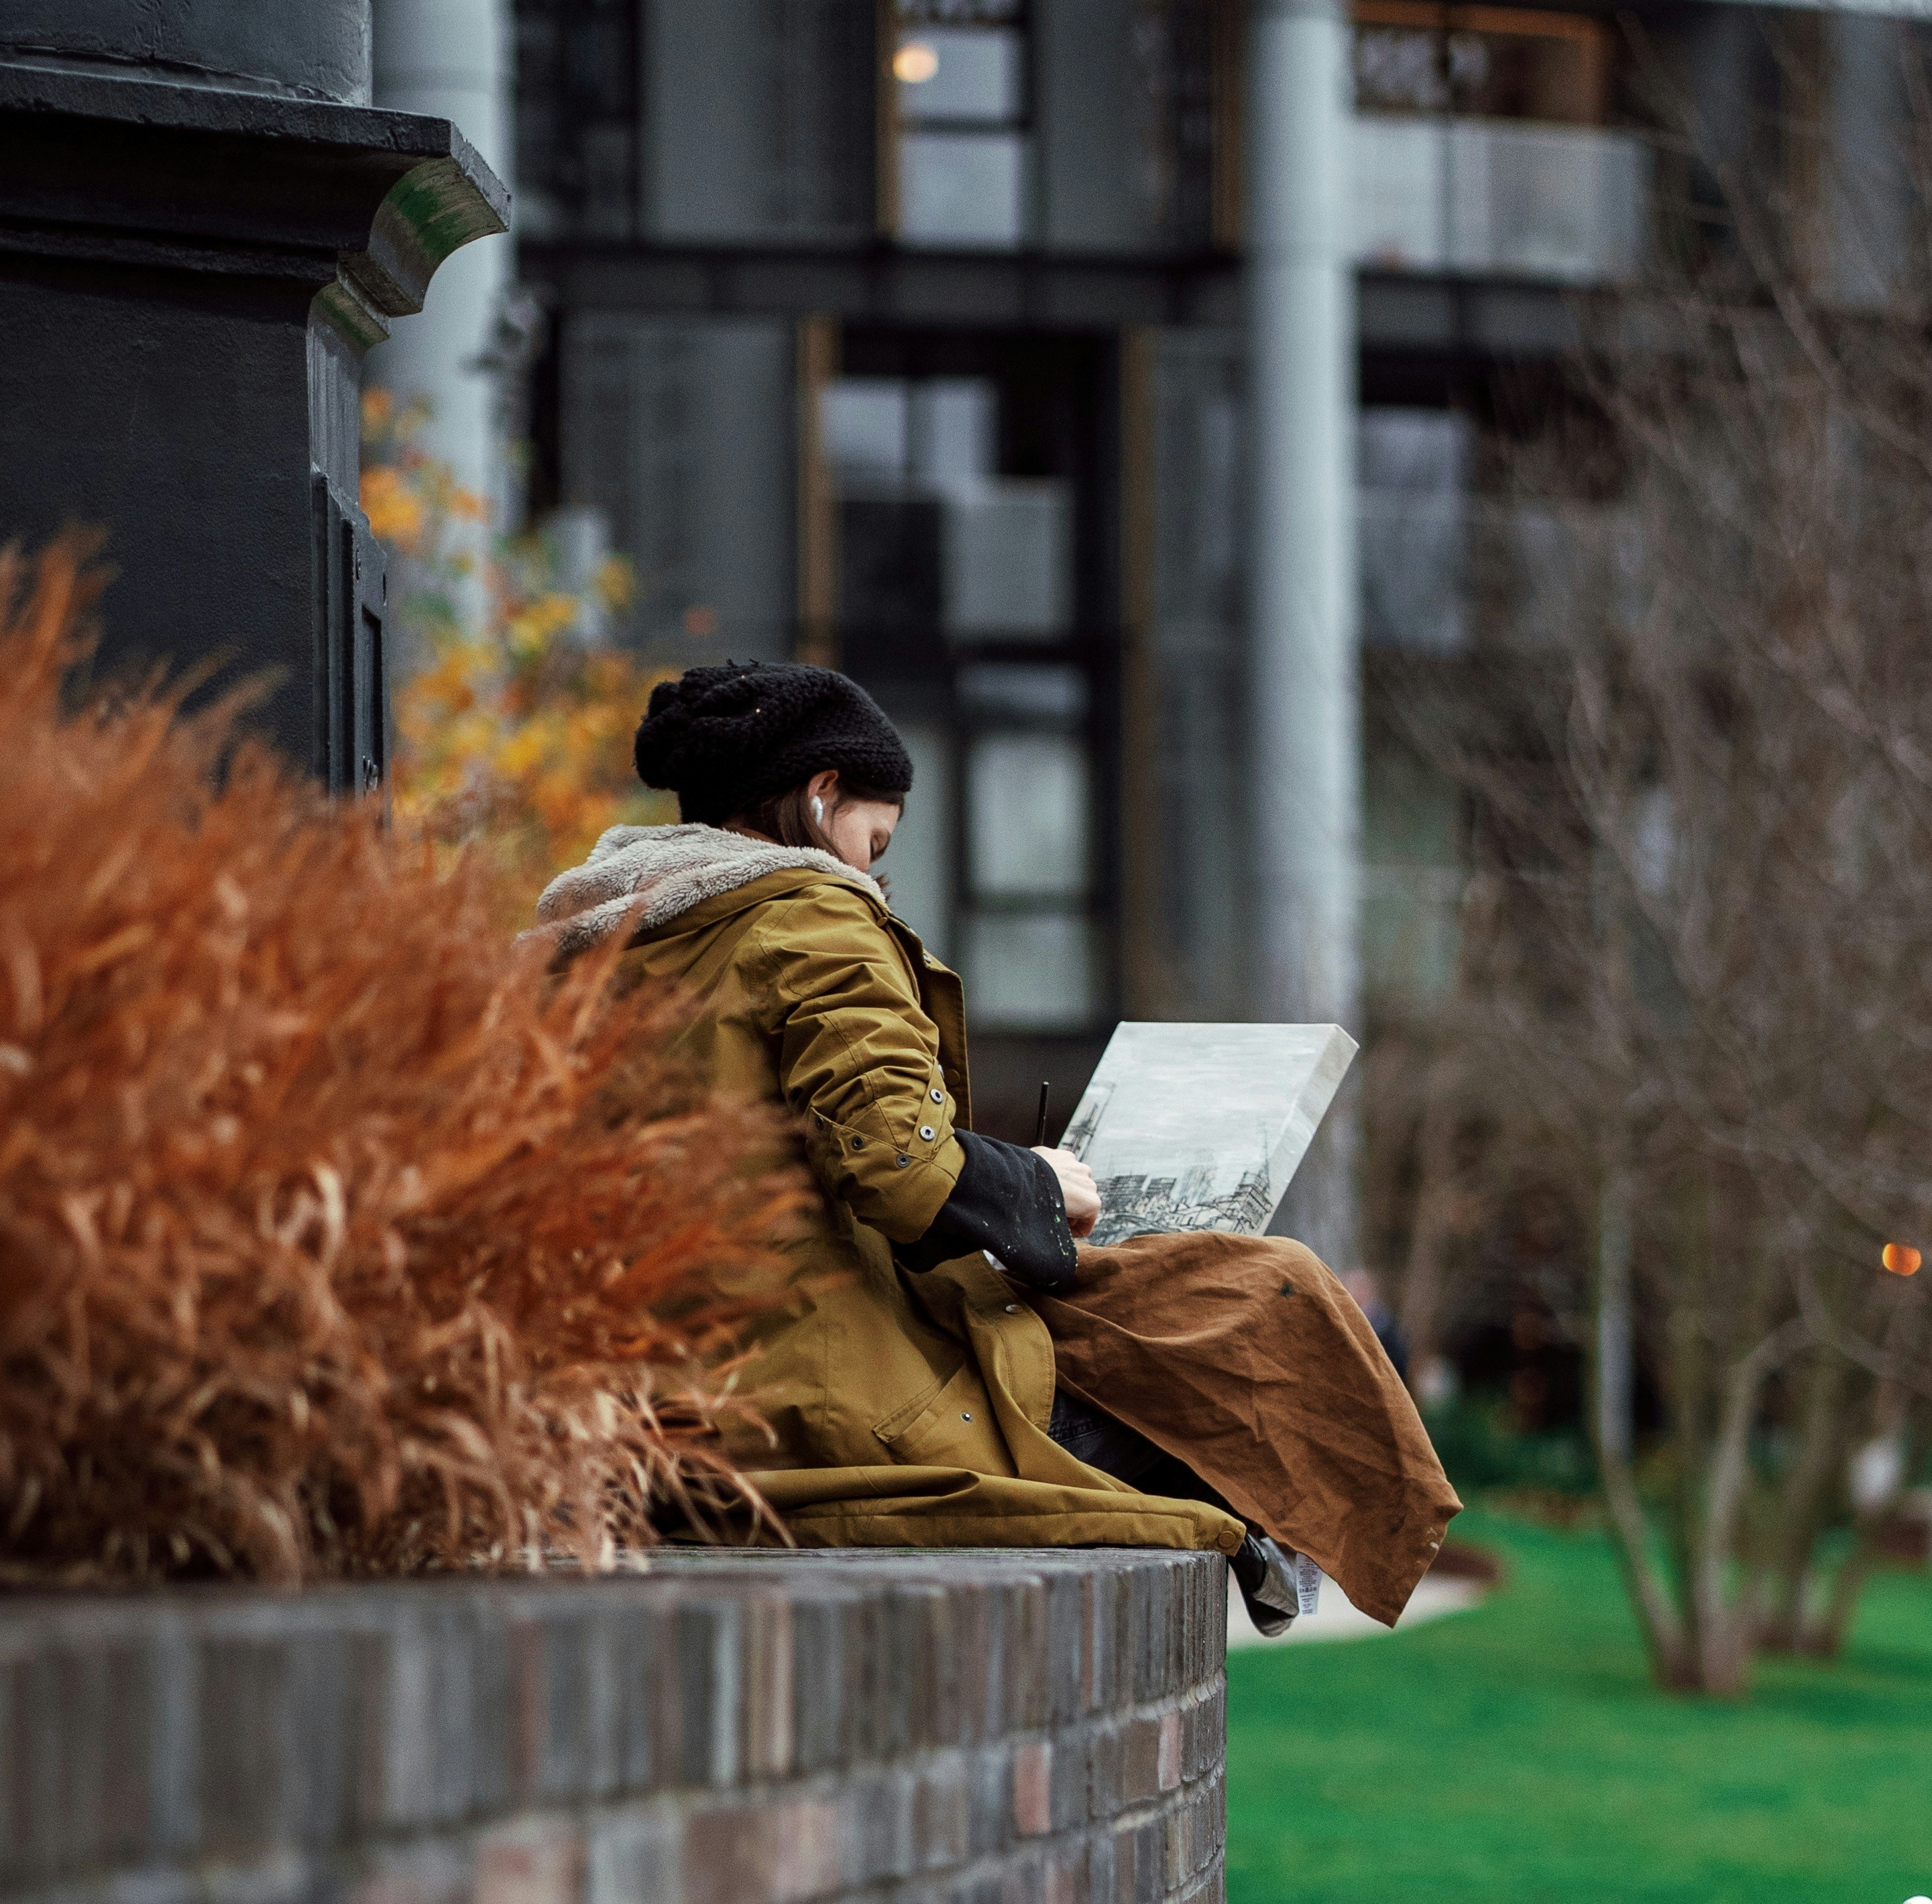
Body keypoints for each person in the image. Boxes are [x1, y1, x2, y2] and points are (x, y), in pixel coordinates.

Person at [536, 659, 1460, 1629]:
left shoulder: (606, 945)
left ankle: (1266, 1540)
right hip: (827, 1417)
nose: (869, 871)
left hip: (672, 1422)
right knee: (1261, 1303)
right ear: (819, 798)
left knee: (1182, 1315)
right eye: (872, 839)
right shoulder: (807, 918)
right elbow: (902, 1171)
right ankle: (1294, 1542)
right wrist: (1040, 1180)